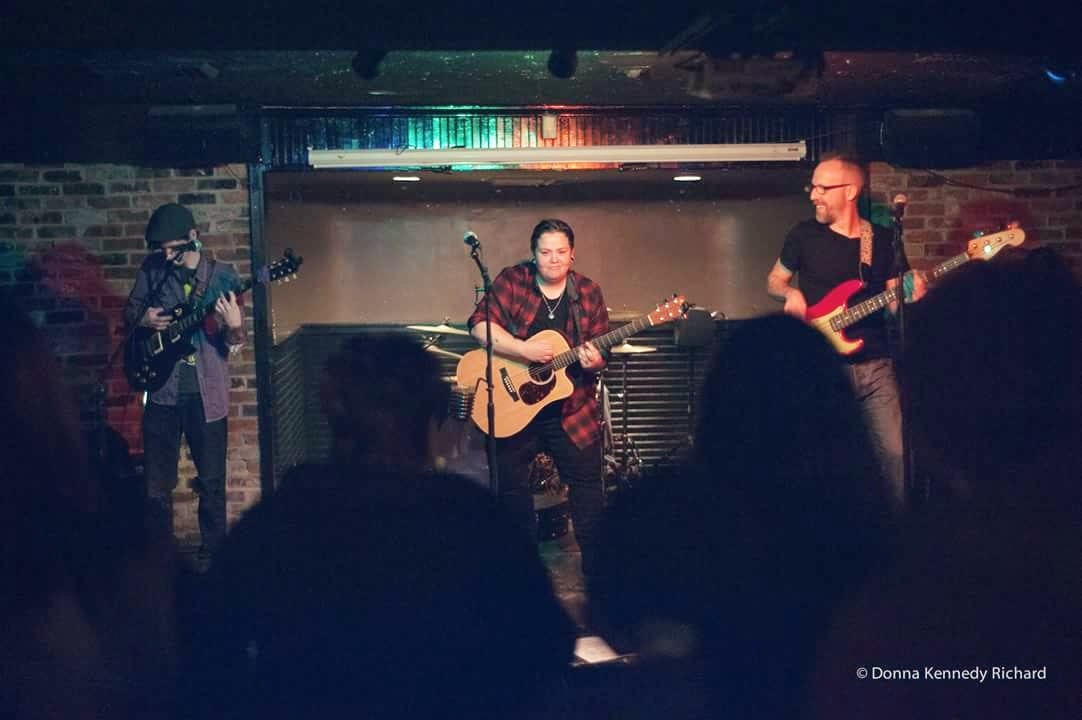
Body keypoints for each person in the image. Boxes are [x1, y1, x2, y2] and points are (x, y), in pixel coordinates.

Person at [766, 155, 925, 510]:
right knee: (819, 458)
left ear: (850, 191)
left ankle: (895, 536)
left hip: (875, 364)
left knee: (895, 454)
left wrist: (910, 296)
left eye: (823, 188)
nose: (813, 195)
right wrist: (791, 293)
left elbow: (895, 301)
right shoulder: (803, 235)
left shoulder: (882, 240)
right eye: (813, 187)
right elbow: (774, 280)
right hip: (821, 367)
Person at [467, 218, 609, 588]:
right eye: (545, 252)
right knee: (511, 491)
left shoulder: (589, 293)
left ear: (572, 255)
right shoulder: (513, 281)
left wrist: (595, 359)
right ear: (533, 255)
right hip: (516, 409)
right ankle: (521, 581)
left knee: (589, 486)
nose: (554, 259)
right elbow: (479, 326)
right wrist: (523, 349)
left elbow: (598, 351)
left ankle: (600, 581)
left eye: (561, 252)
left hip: (571, 408)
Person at [123, 202, 245, 564]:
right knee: (157, 483)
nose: (168, 254)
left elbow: (234, 345)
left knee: (211, 481)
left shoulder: (223, 278)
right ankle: (160, 555)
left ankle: (213, 553)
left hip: (207, 394)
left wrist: (235, 324)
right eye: (162, 248)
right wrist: (143, 317)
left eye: (174, 247)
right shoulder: (153, 270)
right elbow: (130, 312)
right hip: (162, 389)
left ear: (194, 238)